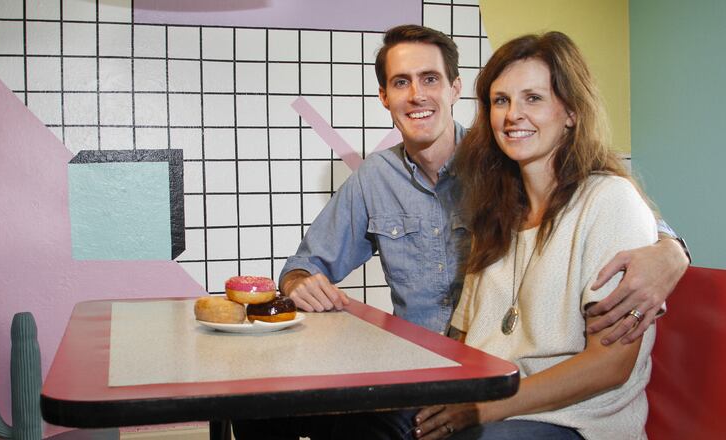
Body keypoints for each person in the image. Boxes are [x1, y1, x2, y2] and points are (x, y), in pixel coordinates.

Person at [234, 25, 689, 440]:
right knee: (264, 407)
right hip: (439, 376)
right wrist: (300, 283)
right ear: (384, 97)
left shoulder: (513, 174)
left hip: (511, 398)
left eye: (430, 79)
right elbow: (303, 267)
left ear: (454, 89)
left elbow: (613, 208)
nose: (416, 95)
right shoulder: (494, 201)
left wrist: (672, 249)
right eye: (400, 82)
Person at [413, 31, 656, 439]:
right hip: (497, 410)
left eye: (533, 98)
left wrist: (483, 410)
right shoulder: (497, 211)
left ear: (571, 112)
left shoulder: (610, 200)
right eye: (501, 100)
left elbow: (611, 364)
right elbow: (467, 341)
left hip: (577, 423)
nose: (512, 115)